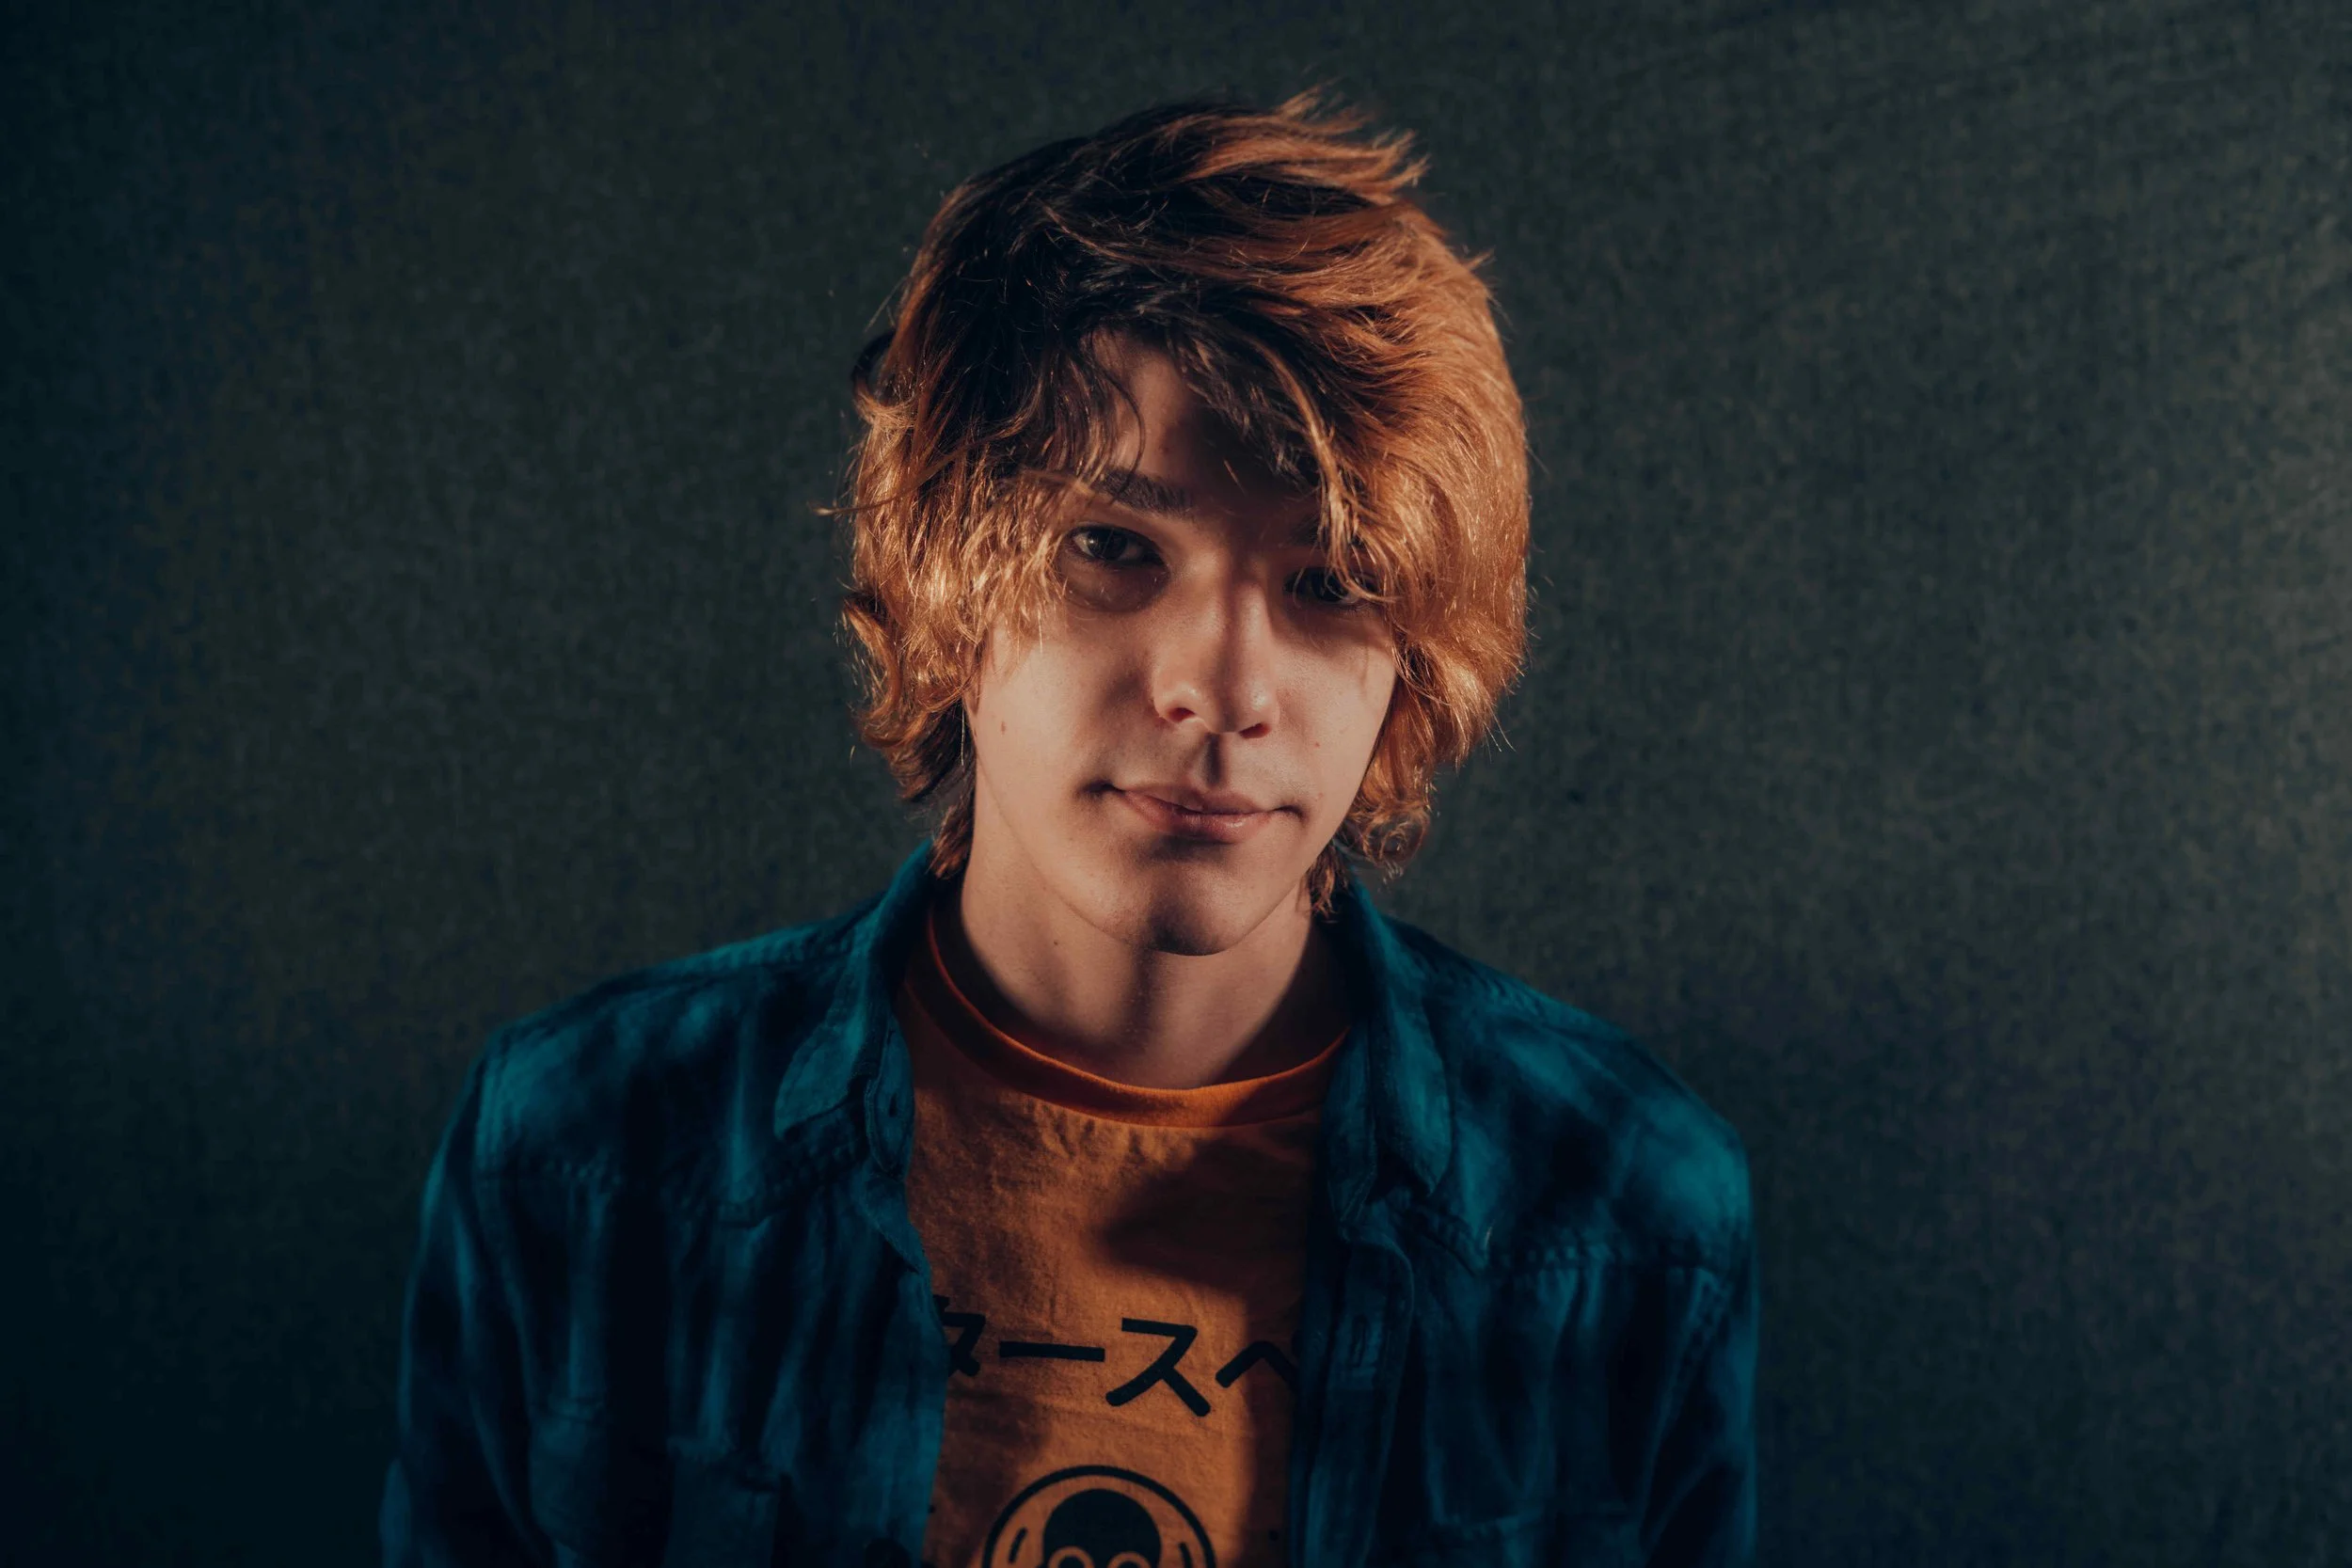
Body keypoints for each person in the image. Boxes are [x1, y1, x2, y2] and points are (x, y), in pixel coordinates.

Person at [381, 89, 1756, 1568]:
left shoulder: (1622, 1209)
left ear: (1411, 651)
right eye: (1113, 548)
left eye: (1330, 580)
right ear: (942, 577)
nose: (1223, 688)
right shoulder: (583, 1149)